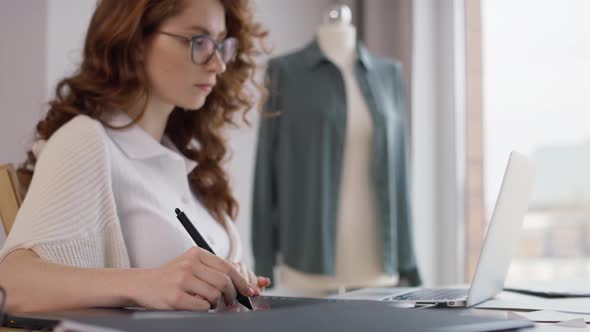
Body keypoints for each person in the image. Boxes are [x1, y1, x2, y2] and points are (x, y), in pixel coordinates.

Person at [0, 0, 270, 313]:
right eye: (200, 41)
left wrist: (228, 282)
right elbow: (9, 283)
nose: (218, 64)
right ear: (134, 41)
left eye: (221, 45)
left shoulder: (183, 162)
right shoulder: (87, 140)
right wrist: (145, 283)